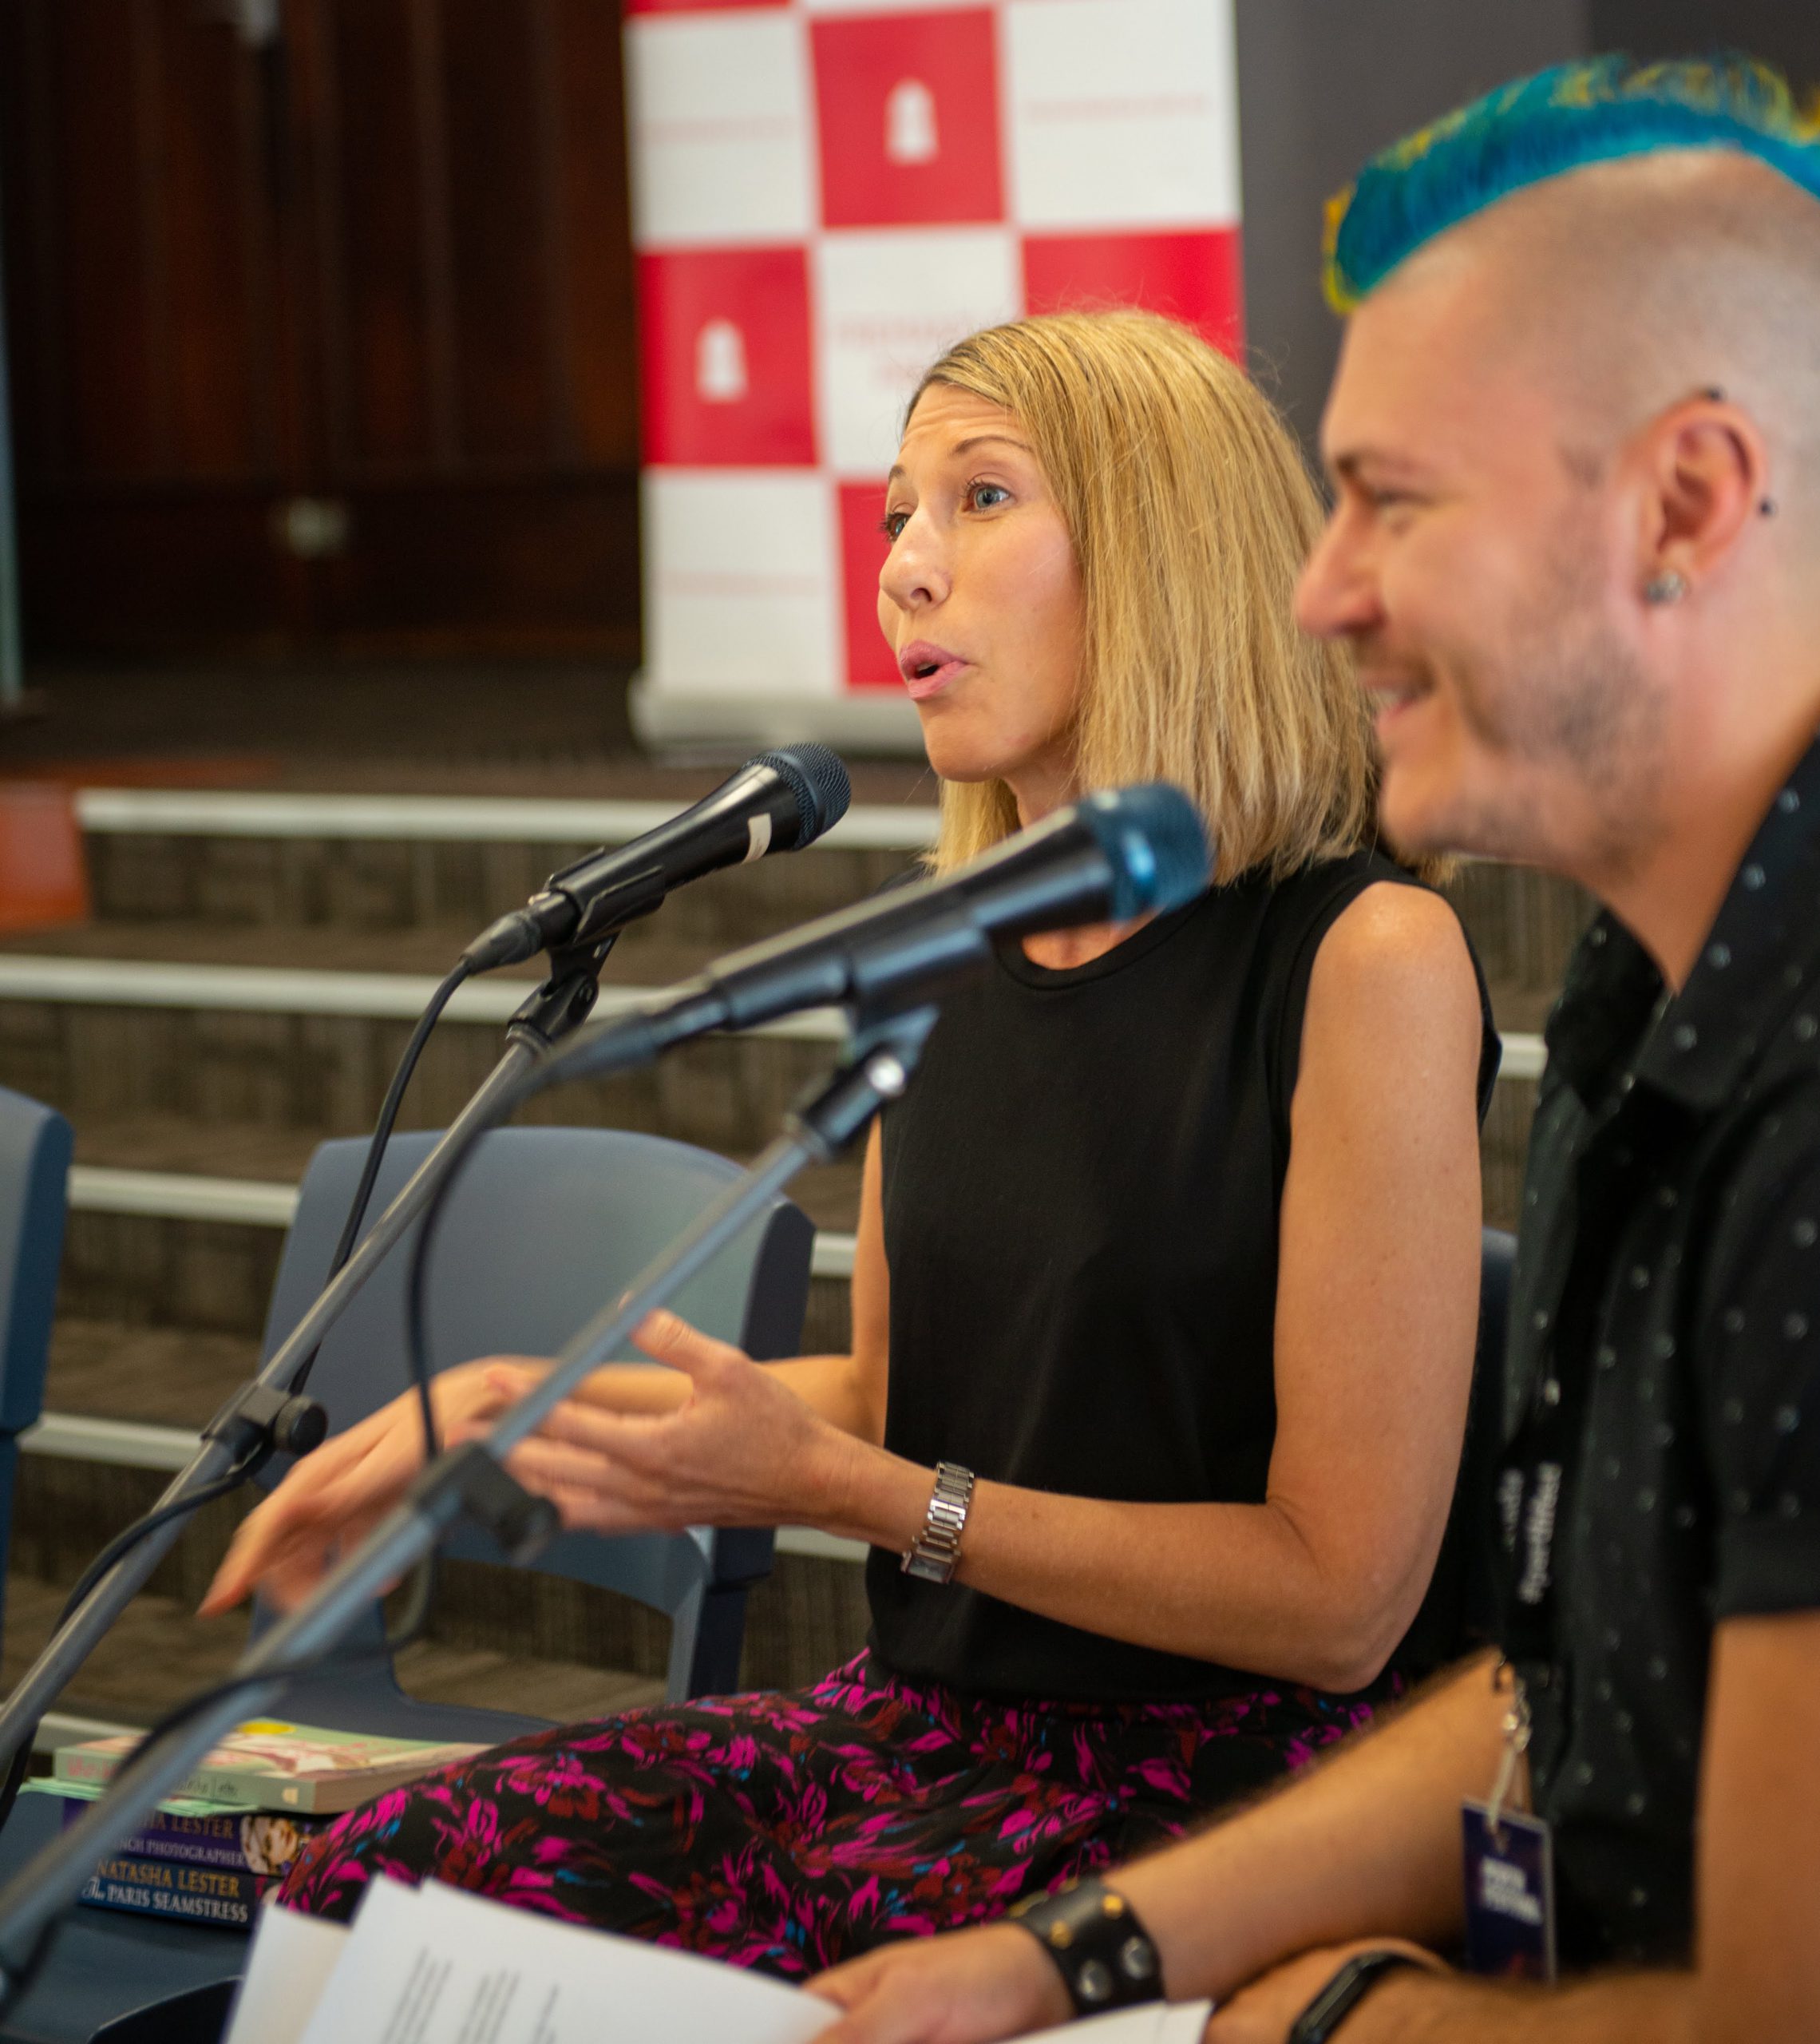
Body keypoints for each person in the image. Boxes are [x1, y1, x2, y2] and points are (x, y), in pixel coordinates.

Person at [803, 56, 1820, 2044]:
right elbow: (1557, 1691)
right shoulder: (1663, 1004)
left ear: (1689, 502)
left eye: (1391, 501)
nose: (1320, 590)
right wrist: (1069, 1958)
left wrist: (1344, 2020)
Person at [200, 310, 1496, 1975]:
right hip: (923, 1731)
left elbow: (1340, 1600)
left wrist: (857, 1492)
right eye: (896, 515)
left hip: (1231, 1796)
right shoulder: (943, 945)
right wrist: (502, 1419)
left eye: (979, 500)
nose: (905, 567)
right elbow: (886, 1400)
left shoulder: (1363, 954)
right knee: (373, 1892)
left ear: (1165, 545)